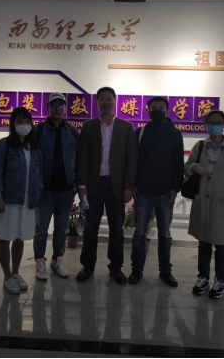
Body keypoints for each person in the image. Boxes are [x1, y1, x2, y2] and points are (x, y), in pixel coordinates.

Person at [75, 86, 138, 284]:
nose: (106, 102)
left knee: (117, 229)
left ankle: (116, 267)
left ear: (115, 101)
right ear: (97, 102)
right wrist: (81, 186)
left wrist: (128, 186)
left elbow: (131, 159)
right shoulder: (88, 126)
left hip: (116, 187)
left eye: (109, 99)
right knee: (90, 228)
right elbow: (82, 158)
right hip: (93, 186)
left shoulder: (126, 127)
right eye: (102, 99)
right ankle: (88, 266)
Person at [184, 110, 224, 299]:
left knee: (221, 246)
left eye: (218, 122)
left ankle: (220, 281)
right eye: (211, 122)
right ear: (206, 124)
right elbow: (187, 167)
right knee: (203, 243)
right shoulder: (200, 146)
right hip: (203, 202)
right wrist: (195, 167)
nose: (214, 126)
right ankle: (202, 278)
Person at [128, 96, 184, 286]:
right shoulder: (141, 132)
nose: (157, 111)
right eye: (154, 108)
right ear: (148, 111)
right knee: (139, 234)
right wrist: (134, 184)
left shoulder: (175, 134)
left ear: (167, 111)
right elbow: (133, 160)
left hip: (165, 193)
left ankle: (165, 271)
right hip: (143, 191)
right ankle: (137, 269)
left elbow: (178, 163)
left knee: (165, 235)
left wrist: (175, 188)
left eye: (161, 108)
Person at [0, 107, 43, 294]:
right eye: (20, 121)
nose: (24, 125)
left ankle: (15, 273)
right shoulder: (4, 145)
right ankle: (7, 277)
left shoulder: (33, 147)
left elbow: (39, 172)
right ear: (13, 124)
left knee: (20, 238)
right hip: (8, 200)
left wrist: (38, 190)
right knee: (5, 237)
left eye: (27, 121)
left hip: (27, 201)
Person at [33, 92, 79, 280]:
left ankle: (57, 259)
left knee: (61, 229)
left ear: (65, 108)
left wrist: (77, 182)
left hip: (66, 190)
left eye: (61, 105)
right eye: (54, 105)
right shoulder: (38, 130)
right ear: (48, 108)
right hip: (45, 191)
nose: (57, 109)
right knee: (41, 229)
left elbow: (79, 159)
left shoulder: (73, 131)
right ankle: (39, 261)